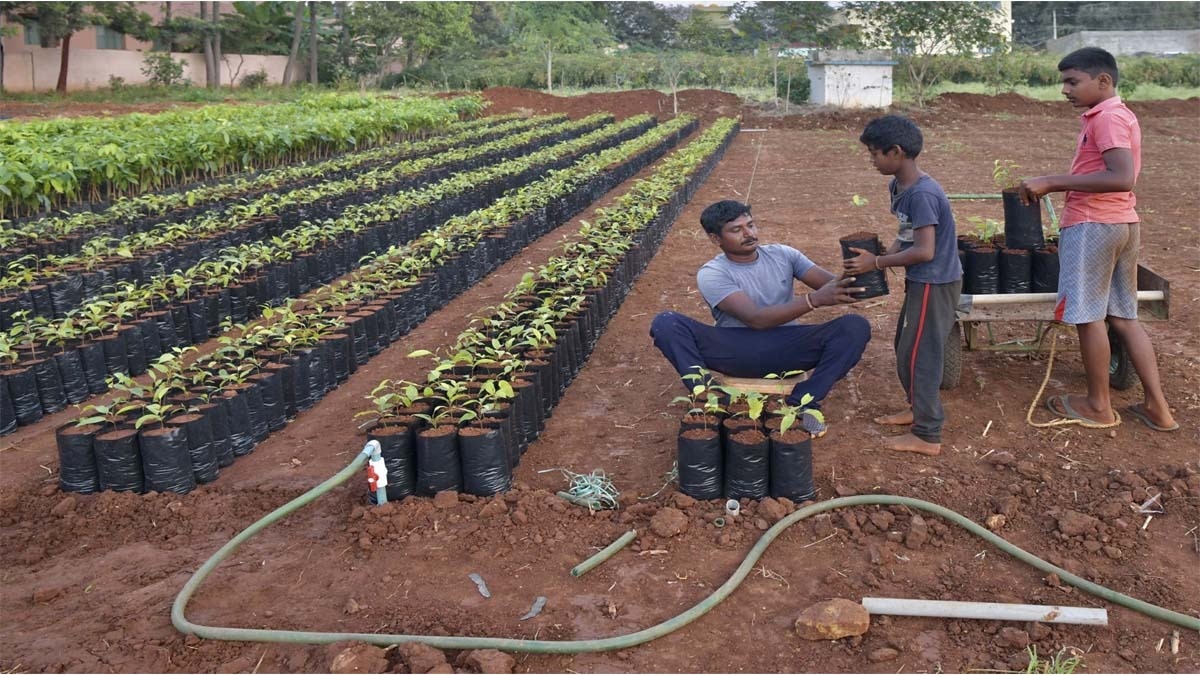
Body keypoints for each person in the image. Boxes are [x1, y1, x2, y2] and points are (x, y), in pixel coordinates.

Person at [1017, 47, 1177, 432]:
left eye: (1073, 82)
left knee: (1088, 318)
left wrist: (1051, 181)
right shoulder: (1118, 114)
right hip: (1123, 223)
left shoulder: (1106, 117)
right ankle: (1158, 408)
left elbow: (1122, 177)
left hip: (1093, 226)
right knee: (1124, 317)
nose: (1064, 90)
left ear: (1103, 81)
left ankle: (1098, 405)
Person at [650, 200, 871, 436]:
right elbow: (755, 319)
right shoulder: (712, 273)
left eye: (751, 225)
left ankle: (803, 402)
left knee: (854, 327)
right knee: (667, 322)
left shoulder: (784, 255)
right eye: (737, 230)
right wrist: (813, 300)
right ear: (716, 239)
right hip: (734, 350)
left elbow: (837, 287)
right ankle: (709, 396)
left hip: (788, 347)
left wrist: (868, 265)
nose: (749, 234)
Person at [844, 115, 962, 456]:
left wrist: (876, 263)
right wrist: (886, 254)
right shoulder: (899, 187)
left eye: (875, 153)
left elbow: (925, 251)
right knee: (905, 346)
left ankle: (927, 434)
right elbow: (908, 236)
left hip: (935, 282)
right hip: (924, 281)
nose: (872, 160)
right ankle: (917, 408)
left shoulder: (923, 194)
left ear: (896, 152)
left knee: (921, 355)